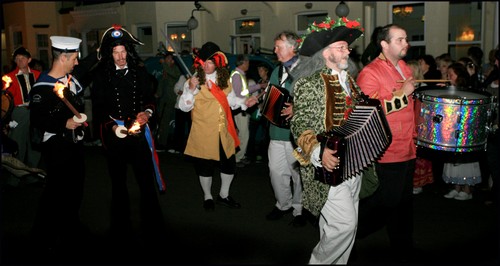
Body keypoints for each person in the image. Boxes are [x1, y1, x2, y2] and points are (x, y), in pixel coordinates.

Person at [287, 16, 365, 263]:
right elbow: (299, 125)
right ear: (325, 53)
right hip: (327, 164)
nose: (347, 51)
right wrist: (319, 152)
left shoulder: (350, 80)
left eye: (347, 47)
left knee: (341, 227)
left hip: (354, 162)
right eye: (341, 47)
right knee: (344, 225)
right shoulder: (309, 83)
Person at [90, 24, 166, 245]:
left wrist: (147, 113)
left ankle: (153, 226)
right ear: (109, 54)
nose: (121, 56)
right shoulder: (101, 77)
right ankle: (121, 228)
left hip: (137, 132)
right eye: (116, 52)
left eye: (123, 51)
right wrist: (112, 127)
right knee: (118, 183)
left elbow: (150, 99)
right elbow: (99, 106)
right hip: (114, 134)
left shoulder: (139, 72)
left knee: (145, 181)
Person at [356, 24, 418, 261]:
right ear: (384, 44)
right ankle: (352, 228)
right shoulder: (370, 73)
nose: (406, 43)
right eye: (400, 40)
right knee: (386, 200)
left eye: (406, 39)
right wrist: (404, 94)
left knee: (404, 202)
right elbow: (368, 111)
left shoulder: (403, 67)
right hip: (387, 148)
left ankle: (403, 245)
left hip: (408, 146)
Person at [29, 36, 88, 251]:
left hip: (75, 146)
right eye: (74, 57)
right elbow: (37, 119)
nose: (77, 62)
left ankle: (70, 228)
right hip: (57, 148)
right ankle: (43, 238)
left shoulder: (70, 80)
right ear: (63, 57)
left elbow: (88, 68)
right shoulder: (42, 87)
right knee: (55, 194)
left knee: (75, 191)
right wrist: (65, 122)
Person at [246, 31, 305, 226]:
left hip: (296, 135)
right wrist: (257, 98)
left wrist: (297, 107)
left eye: (278, 46)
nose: (275, 50)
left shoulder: (305, 70)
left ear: (292, 47)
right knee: (275, 171)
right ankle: (283, 204)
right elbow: (270, 91)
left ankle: (298, 209)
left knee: (297, 174)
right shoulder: (276, 71)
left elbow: (315, 98)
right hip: (276, 131)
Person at [178, 41, 241, 210]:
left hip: (223, 132)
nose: (206, 65)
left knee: (229, 165)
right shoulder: (193, 81)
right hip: (203, 133)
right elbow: (184, 107)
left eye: (210, 62)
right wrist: (190, 90)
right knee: (205, 168)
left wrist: (245, 102)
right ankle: (207, 196)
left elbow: (233, 103)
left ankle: (224, 195)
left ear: (217, 63)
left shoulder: (226, 81)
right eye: (203, 61)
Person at [441, 62, 482, 201]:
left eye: (450, 74)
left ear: (458, 76)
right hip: (452, 128)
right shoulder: (449, 89)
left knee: (465, 158)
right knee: (453, 158)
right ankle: (456, 186)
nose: (448, 77)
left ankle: (467, 189)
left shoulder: (467, 89)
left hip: (465, 128)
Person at [3, 47, 42, 176]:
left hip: (36, 112)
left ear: (29, 59)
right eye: (17, 59)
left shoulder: (38, 75)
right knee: (17, 144)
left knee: (35, 144)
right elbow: (4, 101)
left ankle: (32, 175)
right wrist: (7, 120)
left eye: (23, 58)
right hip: (19, 112)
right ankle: (14, 177)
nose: (20, 61)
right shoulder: (8, 77)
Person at [230, 54, 266, 167]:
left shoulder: (239, 75)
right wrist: (258, 87)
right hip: (240, 108)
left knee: (242, 133)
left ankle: (239, 155)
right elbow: (239, 93)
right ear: (243, 63)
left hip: (242, 107)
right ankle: (237, 158)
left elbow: (243, 90)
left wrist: (258, 86)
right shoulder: (237, 75)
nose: (248, 65)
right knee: (244, 133)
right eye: (248, 63)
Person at [155, 51, 181, 152]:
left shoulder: (174, 69)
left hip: (170, 99)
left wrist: (164, 64)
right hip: (163, 98)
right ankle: (159, 140)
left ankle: (163, 143)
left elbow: (174, 75)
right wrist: (158, 93)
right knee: (160, 120)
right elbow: (162, 82)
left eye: (169, 58)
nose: (168, 60)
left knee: (165, 121)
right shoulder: (166, 69)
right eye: (167, 58)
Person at [246, 63, 270, 164]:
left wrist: (262, 104)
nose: (259, 72)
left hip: (266, 112)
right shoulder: (259, 82)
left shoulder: (270, 82)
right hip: (257, 111)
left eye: (261, 70)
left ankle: (262, 154)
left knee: (265, 134)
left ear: (266, 71)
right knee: (252, 132)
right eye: (258, 70)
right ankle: (250, 154)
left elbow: (269, 95)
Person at [171, 74, 191, 154]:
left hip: (191, 108)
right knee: (179, 128)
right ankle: (177, 147)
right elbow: (176, 88)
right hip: (180, 107)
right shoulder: (183, 77)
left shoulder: (198, 78)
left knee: (191, 129)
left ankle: (190, 149)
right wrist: (181, 92)